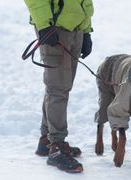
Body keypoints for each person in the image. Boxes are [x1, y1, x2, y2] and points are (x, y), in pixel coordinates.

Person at [24, 0, 94, 173]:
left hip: (75, 29)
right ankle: (56, 147)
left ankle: (46, 140)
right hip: (54, 28)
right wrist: (44, 25)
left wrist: (86, 31)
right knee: (58, 89)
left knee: (61, 86)